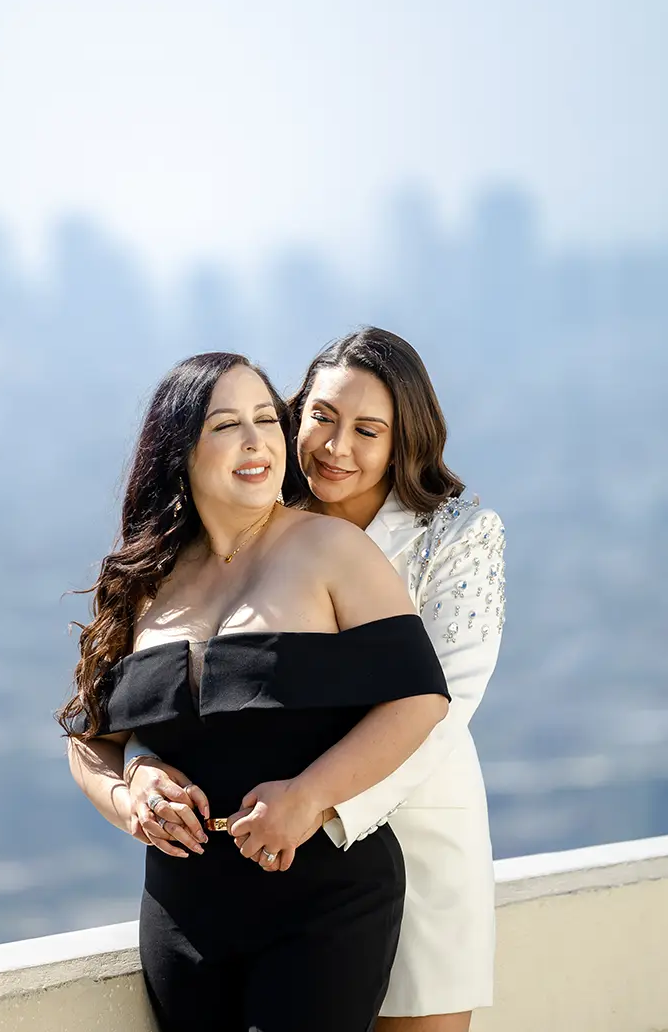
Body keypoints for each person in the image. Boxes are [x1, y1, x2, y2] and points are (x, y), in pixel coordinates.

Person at [123, 329, 505, 1032]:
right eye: (321, 418)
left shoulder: (458, 533)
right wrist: (143, 764)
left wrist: (321, 806)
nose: (336, 447)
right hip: (267, 855)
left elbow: (441, 703)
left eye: (368, 429)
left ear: (403, 439)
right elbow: (176, 680)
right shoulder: (255, 513)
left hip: (408, 829)